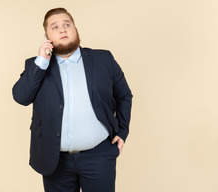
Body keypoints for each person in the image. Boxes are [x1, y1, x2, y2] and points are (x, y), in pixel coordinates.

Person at [12, 7, 133, 192]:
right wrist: (42, 61)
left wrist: (123, 131)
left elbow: (124, 95)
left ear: (76, 30)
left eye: (67, 24)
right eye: (55, 27)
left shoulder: (103, 59)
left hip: (99, 157)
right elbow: (21, 97)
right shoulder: (36, 65)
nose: (62, 29)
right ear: (47, 37)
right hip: (55, 161)